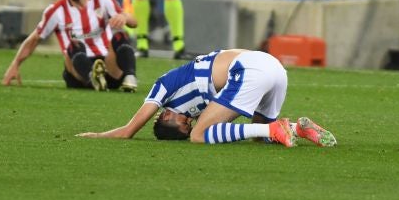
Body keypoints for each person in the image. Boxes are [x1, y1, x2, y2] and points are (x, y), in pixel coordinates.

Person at [76, 49, 337, 148]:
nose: (188, 122)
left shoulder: (164, 87)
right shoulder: (194, 105)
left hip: (249, 68)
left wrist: (98, 135)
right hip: (274, 67)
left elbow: (128, 132)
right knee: (260, 139)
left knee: (199, 136)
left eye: (182, 122)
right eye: (186, 125)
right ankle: (299, 129)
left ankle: (274, 127)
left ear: (165, 114)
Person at [1, 0, 139, 91]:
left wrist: (124, 16)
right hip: (78, 72)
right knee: (73, 45)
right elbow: (34, 39)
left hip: (108, 68)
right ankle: (93, 78)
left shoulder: (103, 1)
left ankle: (129, 77)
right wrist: (15, 65)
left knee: (121, 36)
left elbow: (134, 23)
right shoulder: (55, 10)